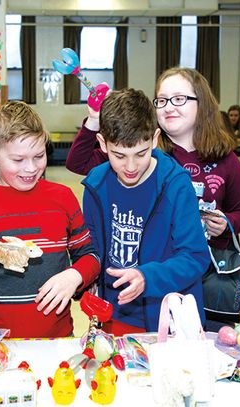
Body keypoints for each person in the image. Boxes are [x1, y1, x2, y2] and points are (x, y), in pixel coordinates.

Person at [0, 101, 99, 338]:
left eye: (39, 156)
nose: (30, 168)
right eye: (18, 160)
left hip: (55, 338)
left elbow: (90, 257)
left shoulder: (63, 198)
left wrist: (75, 275)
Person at [67, 67, 240, 252]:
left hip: (209, 263)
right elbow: (78, 162)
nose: (169, 107)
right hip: (152, 265)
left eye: (179, 99)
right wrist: (94, 119)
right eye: (162, 100)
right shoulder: (142, 152)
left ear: (202, 104)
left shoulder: (225, 159)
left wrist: (226, 223)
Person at [82, 88, 210, 335]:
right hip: (115, 314)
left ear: (154, 139)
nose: (130, 167)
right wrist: (85, 280)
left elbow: (195, 256)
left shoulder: (175, 184)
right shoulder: (96, 184)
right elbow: (92, 250)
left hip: (168, 318)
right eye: (119, 155)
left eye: (140, 154)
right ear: (102, 144)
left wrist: (147, 277)